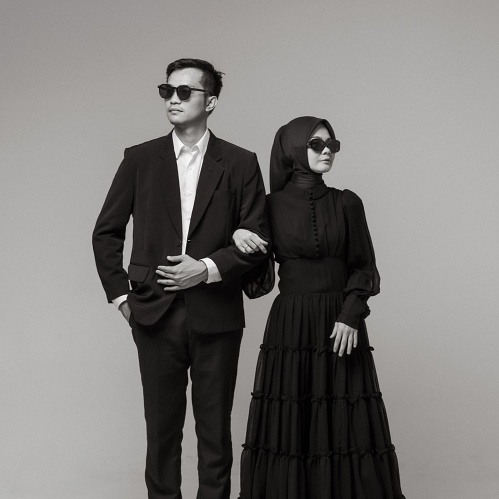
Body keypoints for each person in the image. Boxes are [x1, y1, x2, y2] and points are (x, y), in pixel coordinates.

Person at [92, 58, 270, 499]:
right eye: (167, 90)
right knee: (162, 434)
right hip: (153, 314)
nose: (173, 99)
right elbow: (106, 232)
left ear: (211, 101)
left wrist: (205, 269)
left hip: (217, 315)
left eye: (184, 91)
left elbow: (258, 238)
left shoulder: (241, 162)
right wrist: (123, 301)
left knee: (215, 435)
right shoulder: (139, 159)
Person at [236, 117, 405, 498]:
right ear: (294, 150)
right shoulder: (268, 206)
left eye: (332, 144)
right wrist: (240, 232)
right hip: (291, 324)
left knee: (345, 419)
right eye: (316, 144)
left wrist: (350, 315)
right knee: (293, 417)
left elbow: (364, 267)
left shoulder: (347, 202)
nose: (327, 150)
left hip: (340, 322)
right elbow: (256, 280)